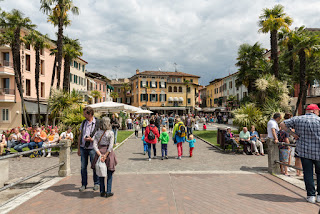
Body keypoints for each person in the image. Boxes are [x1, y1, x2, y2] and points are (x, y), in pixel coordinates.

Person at [280, 104, 320, 204]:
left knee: (308, 173)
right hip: (318, 152)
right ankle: (319, 196)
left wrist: (293, 134)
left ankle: (311, 196)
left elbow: (282, 125)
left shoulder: (298, 119)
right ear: (315, 111)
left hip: (304, 151)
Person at [92, 117, 117, 198]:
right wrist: (105, 155)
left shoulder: (97, 133)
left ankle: (102, 191)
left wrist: (100, 155)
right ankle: (108, 191)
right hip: (108, 153)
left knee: (100, 172)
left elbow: (94, 144)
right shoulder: (111, 133)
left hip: (100, 151)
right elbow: (111, 145)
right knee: (109, 173)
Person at [78, 106, 100, 192]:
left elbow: (100, 136)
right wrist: (79, 148)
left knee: (94, 166)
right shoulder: (83, 123)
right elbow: (80, 135)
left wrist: (92, 139)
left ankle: (96, 183)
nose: (83, 115)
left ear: (90, 114)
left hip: (93, 148)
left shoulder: (97, 123)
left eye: (85, 113)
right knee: (83, 167)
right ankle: (84, 184)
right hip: (83, 148)